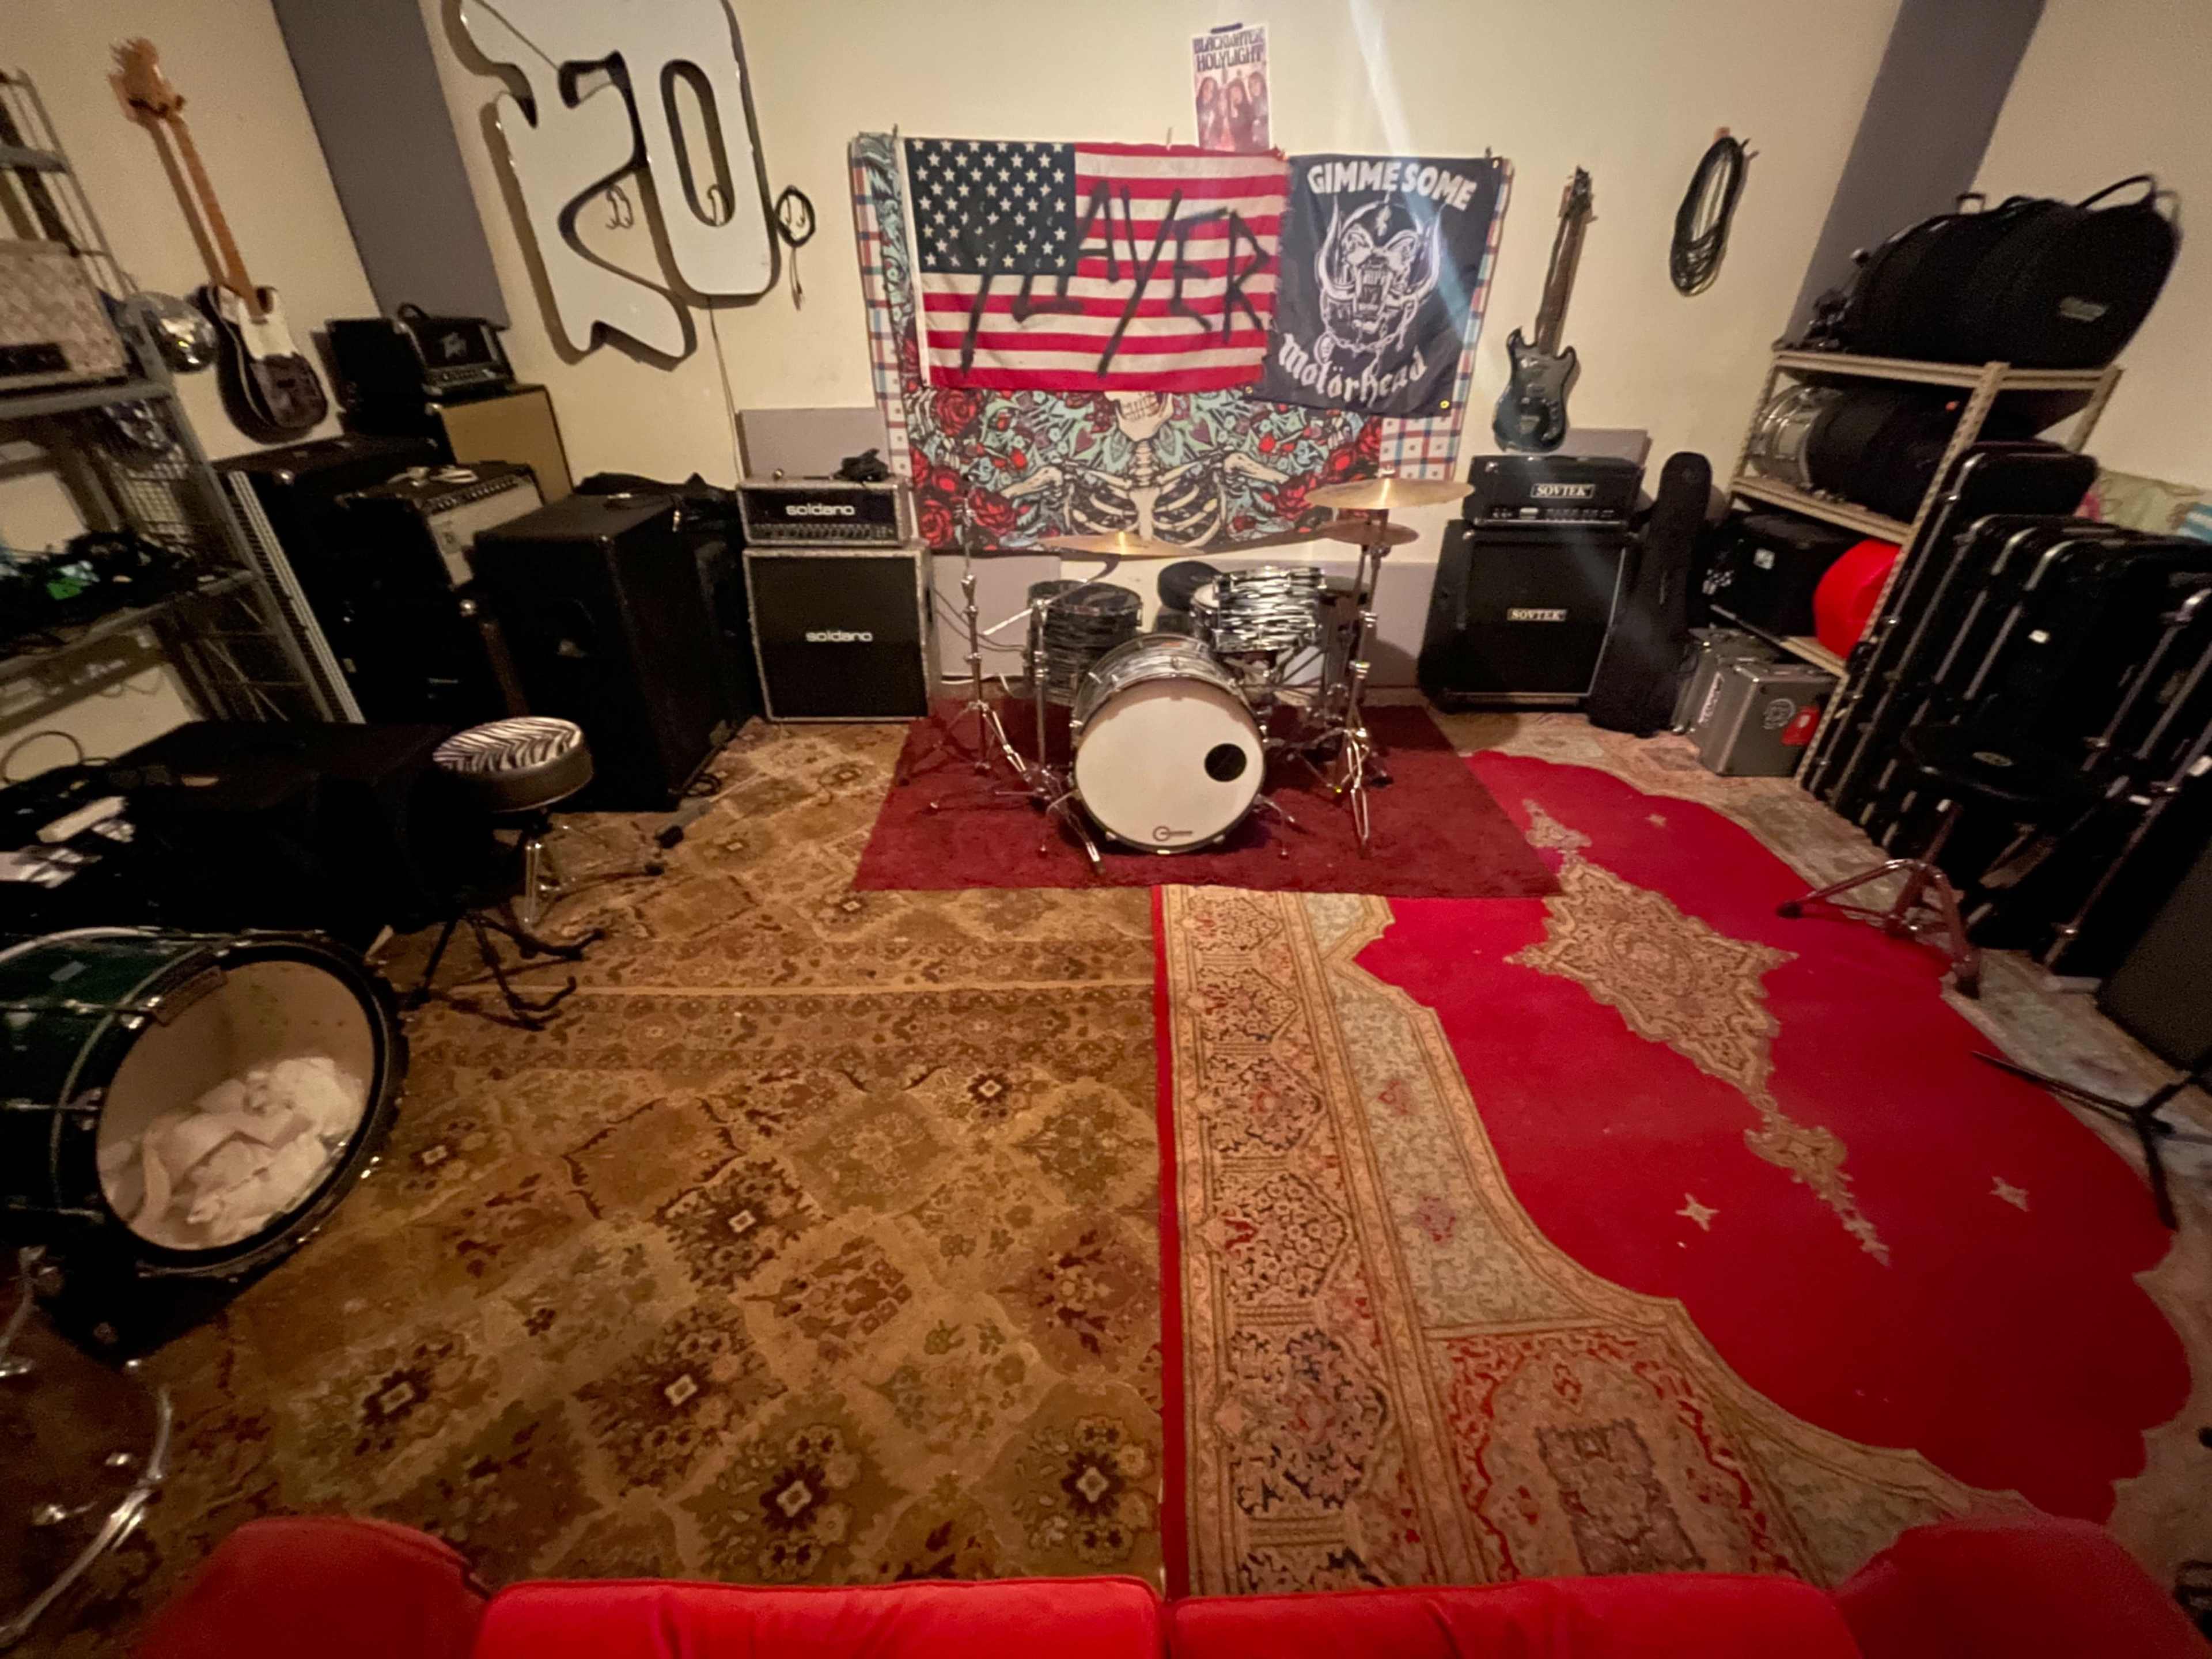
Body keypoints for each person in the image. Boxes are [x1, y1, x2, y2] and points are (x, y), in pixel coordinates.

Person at [1224, 74, 1255, 151]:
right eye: (1232, 93)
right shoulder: (1231, 111)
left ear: (1242, 91)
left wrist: (1238, 116)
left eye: (1237, 91)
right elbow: (1234, 135)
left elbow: (1250, 129)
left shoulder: (1250, 107)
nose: (1235, 95)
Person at [1195, 74, 1224, 150]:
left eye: (1212, 91)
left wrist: (1209, 136)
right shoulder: (1195, 104)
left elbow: (1218, 135)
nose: (1208, 92)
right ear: (1202, 88)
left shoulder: (1217, 111)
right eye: (1206, 88)